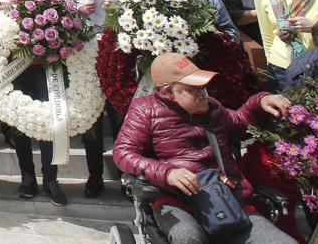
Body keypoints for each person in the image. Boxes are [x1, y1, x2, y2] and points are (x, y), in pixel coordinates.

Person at [112, 52, 295, 244]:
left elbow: (240, 124)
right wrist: (167, 173)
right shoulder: (145, 110)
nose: (202, 94)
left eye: (203, 88)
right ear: (167, 92)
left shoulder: (212, 108)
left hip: (225, 197)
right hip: (175, 199)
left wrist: (260, 101)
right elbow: (122, 152)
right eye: (193, 89)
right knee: (188, 237)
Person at [0, 0, 67, 205]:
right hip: (13, 69)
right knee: (21, 126)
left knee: (45, 122)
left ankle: (50, 179)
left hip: (40, 67)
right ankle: (27, 176)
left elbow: (55, 24)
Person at [60, 0, 124, 198]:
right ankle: (95, 175)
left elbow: (130, 12)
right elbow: (61, 19)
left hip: (112, 52)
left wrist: (115, 8)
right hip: (83, 54)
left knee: (118, 118)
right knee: (91, 120)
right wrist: (77, 12)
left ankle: (125, 175)